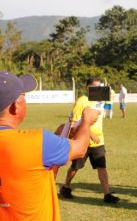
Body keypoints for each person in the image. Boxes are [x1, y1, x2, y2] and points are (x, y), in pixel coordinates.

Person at [0, 72, 99, 220]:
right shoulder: (38, 141)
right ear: (16, 106)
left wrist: (60, 137)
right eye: (24, 97)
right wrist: (86, 121)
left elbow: (41, 168)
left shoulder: (39, 144)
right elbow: (80, 149)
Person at [60, 77, 119, 204]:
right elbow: (74, 124)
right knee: (76, 166)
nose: (98, 89)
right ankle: (66, 187)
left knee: (101, 166)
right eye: (95, 87)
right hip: (83, 140)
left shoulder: (101, 98)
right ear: (88, 88)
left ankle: (107, 194)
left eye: (100, 87)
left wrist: (106, 87)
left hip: (99, 141)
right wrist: (91, 134)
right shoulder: (82, 101)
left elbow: (113, 93)